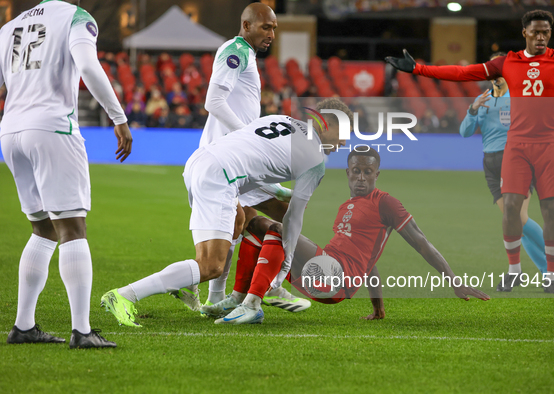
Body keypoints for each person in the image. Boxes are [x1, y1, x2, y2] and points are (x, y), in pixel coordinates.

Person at [386, 10, 554, 294]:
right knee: (510, 208)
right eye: (536, 32)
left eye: (546, 32)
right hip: (516, 146)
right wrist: (420, 69)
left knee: (551, 209)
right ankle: (514, 271)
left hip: (550, 144)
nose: (541, 37)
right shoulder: (507, 62)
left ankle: (553, 275)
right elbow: (463, 72)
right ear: (525, 33)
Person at [100, 98, 351, 327]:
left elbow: (252, 159)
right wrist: (284, 268)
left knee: (239, 220)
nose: (345, 141)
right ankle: (124, 295)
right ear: (327, 123)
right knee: (211, 266)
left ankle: (207, 292)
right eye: (344, 132)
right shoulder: (315, 160)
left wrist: (281, 192)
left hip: (200, 162)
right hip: (222, 176)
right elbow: (293, 218)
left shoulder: (280, 119)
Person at [204, 148, 490, 324]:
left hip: (336, 276)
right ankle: (240, 298)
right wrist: (378, 307)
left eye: (368, 172)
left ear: (378, 173)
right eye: (356, 172)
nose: (362, 177)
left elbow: (422, 244)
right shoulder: (349, 206)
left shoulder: (386, 202)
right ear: (348, 173)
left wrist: (454, 281)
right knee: (254, 222)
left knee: (279, 230)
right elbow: (369, 261)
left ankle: (251, 304)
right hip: (325, 272)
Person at [1, 0, 132, 348]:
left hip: (10, 132)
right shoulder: (76, 17)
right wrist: (118, 118)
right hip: (52, 129)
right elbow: (88, 66)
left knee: (42, 229)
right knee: (72, 227)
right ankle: (82, 331)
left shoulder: (8, 27)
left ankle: (24, 326)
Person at [189, 2, 299, 310]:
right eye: (266, 27)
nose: (271, 34)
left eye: (274, 28)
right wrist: (247, 136)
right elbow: (214, 100)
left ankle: (221, 296)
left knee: (245, 221)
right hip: (230, 158)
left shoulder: (245, 54)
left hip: (237, 156)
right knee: (269, 216)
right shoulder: (234, 51)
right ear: (246, 25)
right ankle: (268, 285)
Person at [459, 52, 554, 291]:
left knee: (519, 218)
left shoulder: (518, 96)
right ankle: (549, 268)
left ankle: (553, 267)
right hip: (490, 163)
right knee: (514, 222)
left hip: (515, 159)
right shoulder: (482, 99)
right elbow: (464, 132)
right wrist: (473, 110)